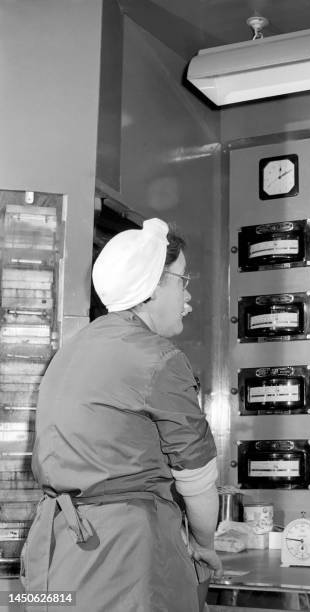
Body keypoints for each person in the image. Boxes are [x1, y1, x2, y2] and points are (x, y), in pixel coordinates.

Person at [21, 218, 221, 611]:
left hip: (56, 552)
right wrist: (203, 543)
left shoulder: (71, 352)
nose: (188, 296)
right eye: (183, 280)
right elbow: (197, 480)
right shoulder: (159, 359)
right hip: (124, 557)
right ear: (153, 285)